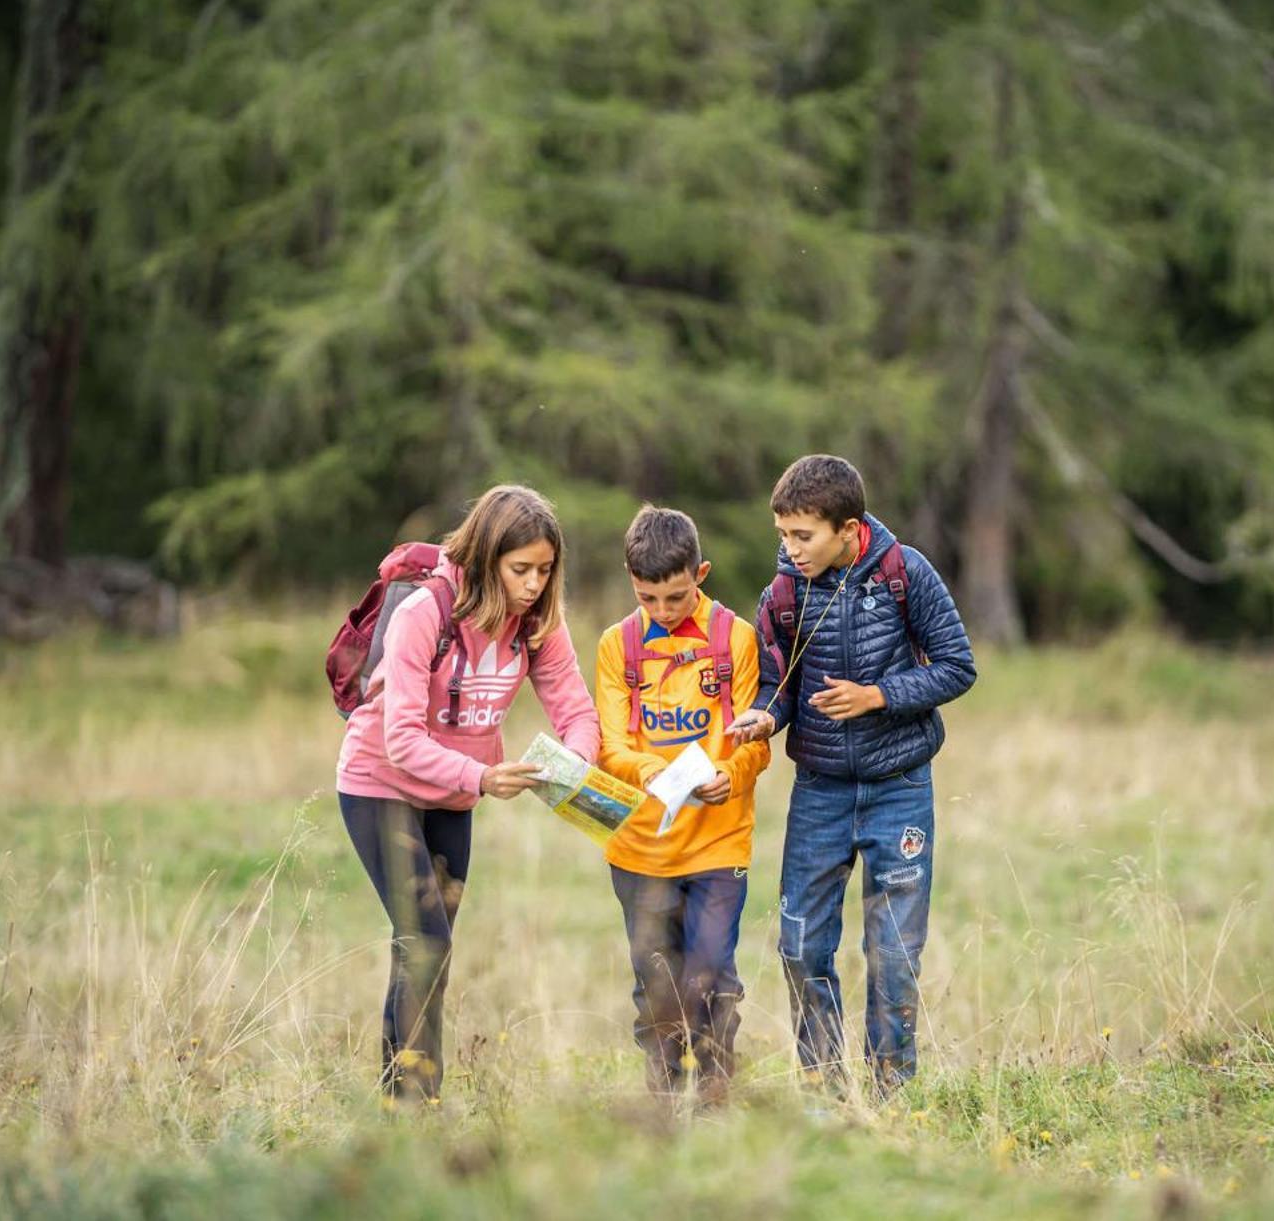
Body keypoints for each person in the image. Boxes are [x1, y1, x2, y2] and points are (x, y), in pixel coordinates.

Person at [334, 484, 600, 1102]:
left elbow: (576, 711)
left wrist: (576, 764)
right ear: (485, 559)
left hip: (452, 800)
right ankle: (417, 1101)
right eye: (520, 570)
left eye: (544, 569)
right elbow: (400, 739)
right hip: (381, 784)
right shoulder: (423, 613)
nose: (533, 584)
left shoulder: (536, 621)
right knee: (427, 941)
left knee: (423, 947)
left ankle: (397, 1095)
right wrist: (482, 777)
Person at [725, 455, 976, 1092]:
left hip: (901, 787)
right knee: (800, 946)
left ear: (848, 527)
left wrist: (877, 696)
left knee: (894, 955)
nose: (789, 549)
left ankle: (892, 1095)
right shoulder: (781, 594)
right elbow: (778, 688)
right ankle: (825, 1092)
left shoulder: (904, 572)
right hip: (820, 792)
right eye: (782, 534)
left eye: (802, 536)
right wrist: (763, 717)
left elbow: (957, 666)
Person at [594, 506, 769, 1105]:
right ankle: (663, 1101)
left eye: (676, 596)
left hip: (720, 841)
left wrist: (726, 772)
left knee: (713, 972)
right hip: (640, 846)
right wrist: (660, 773)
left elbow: (755, 739)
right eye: (649, 598)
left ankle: (716, 1092)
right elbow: (612, 747)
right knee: (656, 981)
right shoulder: (616, 647)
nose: (663, 611)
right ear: (630, 580)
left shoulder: (736, 639)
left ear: (702, 573)